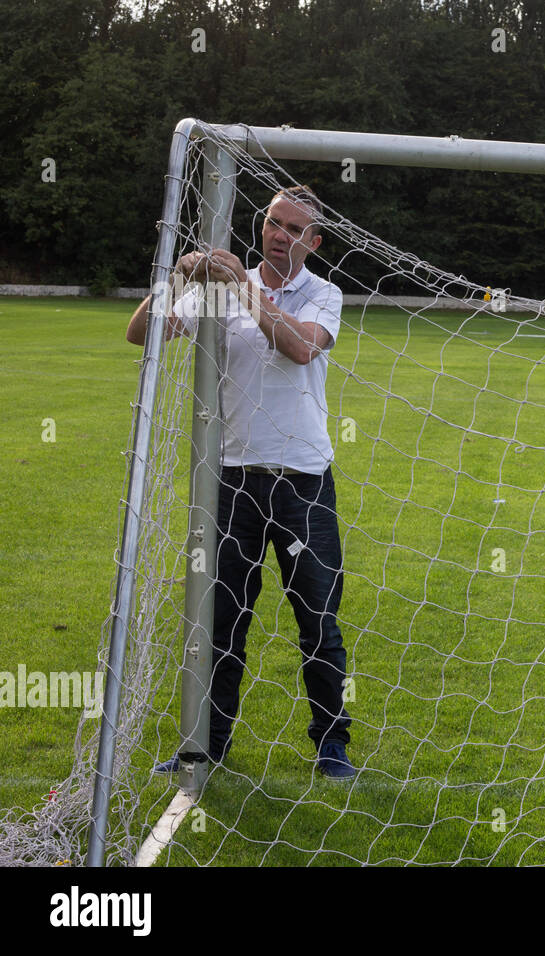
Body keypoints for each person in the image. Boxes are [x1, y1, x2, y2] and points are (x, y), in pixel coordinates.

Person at [127, 185, 357, 779]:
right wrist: (180, 279)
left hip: (303, 481)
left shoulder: (323, 294)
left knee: (317, 619)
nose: (278, 234)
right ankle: (206, 744)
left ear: (315, 241)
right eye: (273, 222)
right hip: (230, 480)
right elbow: (141, 333)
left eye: (293, 229)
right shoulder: (222, 288)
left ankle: (332, 743)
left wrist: (240, 287)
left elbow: (302, 349)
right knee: (221, 618)